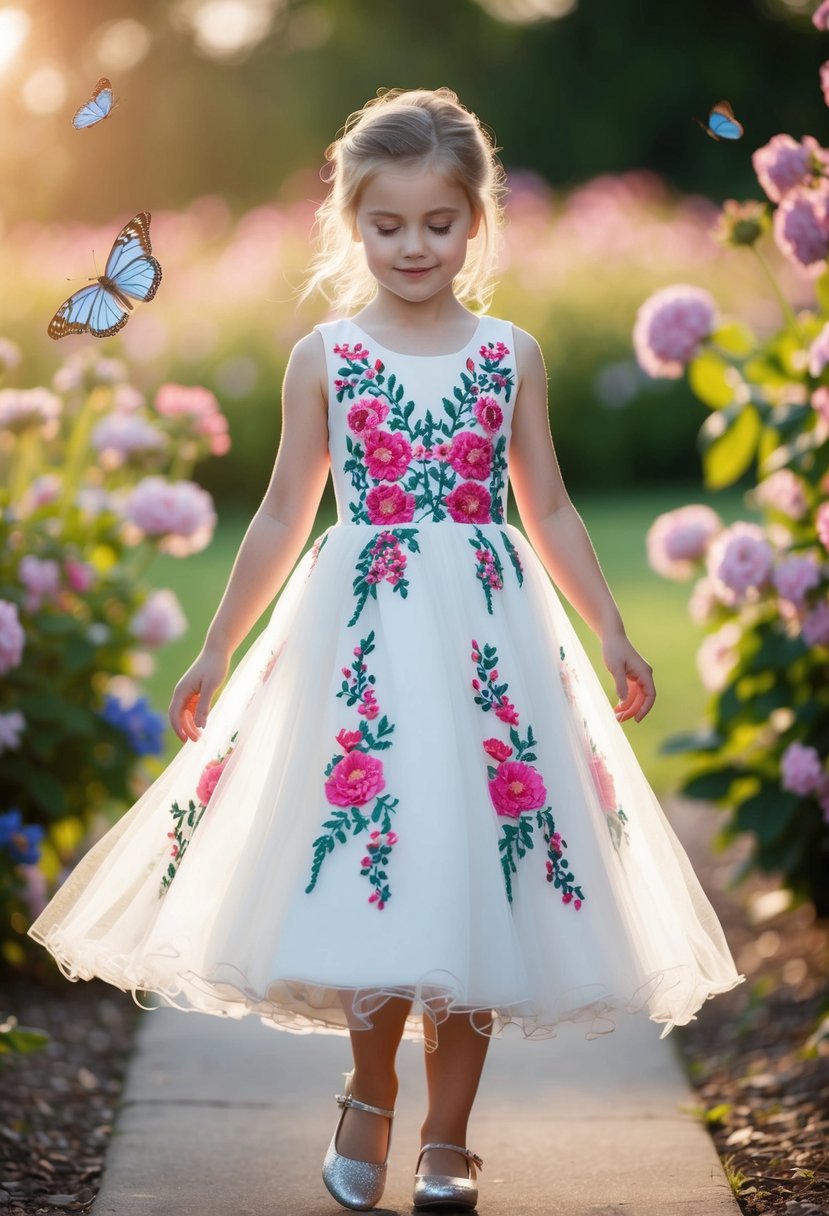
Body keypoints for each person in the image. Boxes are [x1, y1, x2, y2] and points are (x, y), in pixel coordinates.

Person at [28, 86, 745, 1213]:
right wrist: (219, 646)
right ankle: (369, 1097)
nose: (414, 246)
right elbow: (279, 513)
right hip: (361, 656)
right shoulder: (325, 357)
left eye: (439, 222)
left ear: (477, 221)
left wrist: (607, 625)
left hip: (486, 656)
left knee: (472, 891)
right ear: (351, 224)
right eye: (388, 223)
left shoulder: (512, 355)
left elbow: (548, 505)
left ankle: (448, 1137)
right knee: (378, 881)